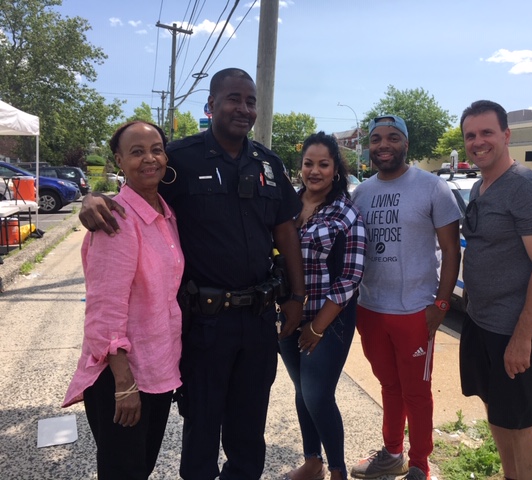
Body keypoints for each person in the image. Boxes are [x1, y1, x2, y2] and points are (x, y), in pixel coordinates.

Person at [78, 68, 305, 480]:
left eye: (250, 101)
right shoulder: (178, 159)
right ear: (211, 105)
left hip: (257, 318)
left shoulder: (268, 163)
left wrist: (297, 296)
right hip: (204, 320)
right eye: (233, 99)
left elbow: (285, 227)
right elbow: (136, 191)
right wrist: (95, 198)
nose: (243, 108)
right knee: (201, 423)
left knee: (250, 424)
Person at [63, 121, 184, 479]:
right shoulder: (115, 220)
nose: (149, 158)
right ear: (119, 161)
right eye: (137, 152)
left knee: (139, 468)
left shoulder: (165, 213)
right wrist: (124, 383)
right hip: (123, 376)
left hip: (158, 369)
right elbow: (104, 311)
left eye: (156, 149)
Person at [349, 115, 461, 480]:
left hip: (415, 310)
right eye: (377, 138)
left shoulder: (432, 188)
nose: (384, 145)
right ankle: (392, 453)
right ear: (369, 146)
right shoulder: (361, 193)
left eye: (393, 138)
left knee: (417, 391)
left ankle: (420, 465)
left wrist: (441, 304)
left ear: (406, 144)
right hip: (370, 309)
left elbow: (451, 251)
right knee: (389, 385)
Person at [459, 100, 532, 480]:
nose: (478, 142)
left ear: (506, 134)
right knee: (497, 410)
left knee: (521, 422)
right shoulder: (480, 187)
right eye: (470, 135)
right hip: (481, 322)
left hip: (516, 331)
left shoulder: (526, 187)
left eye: (487, 132)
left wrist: (522, 339)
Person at [279, 132, 366, 480]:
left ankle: (337, 470)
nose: (314, 171)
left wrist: (317, 327)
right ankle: (312, 461)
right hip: (286, 315)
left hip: (329, 319)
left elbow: (350, 277)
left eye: (323, 164)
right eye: (308, 163)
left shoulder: (347, 213)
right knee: (302, 391)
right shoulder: (286, 205)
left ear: (336, 169)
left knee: (317, 393)